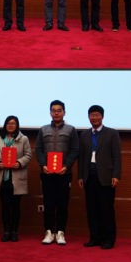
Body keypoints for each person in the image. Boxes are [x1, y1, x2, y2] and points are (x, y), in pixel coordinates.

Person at [36, 99, 80, 245]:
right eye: (53, 111)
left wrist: (67, 166)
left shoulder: (71, 130)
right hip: (47, 173)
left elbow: (75, 150)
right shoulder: (43, 130)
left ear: (64, 113)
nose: (56, 113)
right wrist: (43, 165)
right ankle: (49, 232)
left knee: (62, 204)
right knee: (48, 204)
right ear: (50, 113)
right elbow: (39, 150)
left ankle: (60, 232)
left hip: (64, 173)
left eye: (59, 111)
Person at [78, 105, 122, 249]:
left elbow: (117, 156)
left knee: (106, 209)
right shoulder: (84, 135)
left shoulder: (112, 133)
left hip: (106, 176)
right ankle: (94, 237)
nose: (94, 118)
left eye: (97, 115)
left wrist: (116, 175)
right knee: (92, 209)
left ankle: (108, 239)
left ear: (102, 116)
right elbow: (81, 157)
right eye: (92, 115)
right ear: (88, 117)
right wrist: (80, 176)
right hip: (89, 176)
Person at [0, 115, 32, 242]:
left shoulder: (23, 139)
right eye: (8, 123)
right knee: (4, 206)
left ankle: (14, 231)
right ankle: (6, 231)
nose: (10, 125)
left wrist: (19, 163)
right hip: (2, 178)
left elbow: (28, 155)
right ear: (5, 125)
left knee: (15, 207)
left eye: (13, 123)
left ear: (17, 125)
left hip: (17, 178)